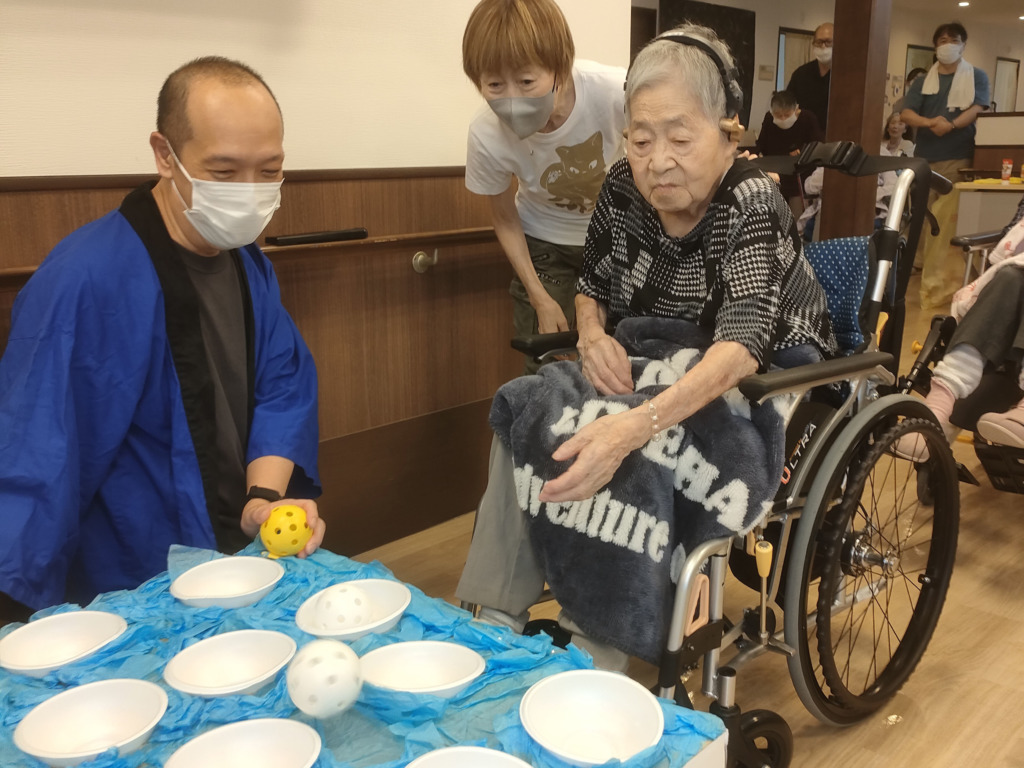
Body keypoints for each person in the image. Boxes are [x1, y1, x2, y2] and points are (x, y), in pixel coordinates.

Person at [456, 24, 836, 669]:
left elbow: (743, 345)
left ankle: (597, 638)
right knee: (527, 402)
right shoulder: (621, 188)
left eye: (681, 138)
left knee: (629, 439)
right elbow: (595, 282)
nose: (658, 159)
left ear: (728, 133)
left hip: (765, 368)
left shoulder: (751, 201)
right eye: (640, 139)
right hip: (656, 350)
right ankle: (495, 615)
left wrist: (637, 422)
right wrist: (592, 332)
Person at [0, 57, 324, 620]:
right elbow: (36, 454)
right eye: (224, 172)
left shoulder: (247, 262)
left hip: (236, 543)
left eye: (269, 169)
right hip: (133, 577)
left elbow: (283, 384)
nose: (250, 193)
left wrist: (263, 500)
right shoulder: (84, 279)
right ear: (164, 154)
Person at [462, 0, 626, 373]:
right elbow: (504, 217)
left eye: (526, 81)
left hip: (612, 240)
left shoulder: (613, 90)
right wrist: (539, 298)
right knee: (548, 368)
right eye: (494, 84)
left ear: (559, 69)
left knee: (617, 359)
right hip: (543, 248)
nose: (512, 99)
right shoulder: (485, 133)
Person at [901, 22, 990, 309]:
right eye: (942, 40)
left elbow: (976, 109)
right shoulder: (922, 81)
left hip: (959, 155)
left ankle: (944, 278)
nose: (948, 44)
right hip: (925, 155)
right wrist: (930, 122)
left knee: (948, 218)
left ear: (963, 45)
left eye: (954, 40)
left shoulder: (976, 76)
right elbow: (905, 113)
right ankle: (921, 269)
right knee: (923, 214)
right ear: (935, 46)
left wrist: (950, 125)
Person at [755, 89, 824, 219]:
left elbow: (818, 144)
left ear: (796, 110)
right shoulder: (769, 119)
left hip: (799, 176)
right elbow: (761, 144)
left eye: (786, 115)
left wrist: (803, 151)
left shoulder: (807, 118)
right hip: (775, 173)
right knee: (774, 216)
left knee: (796, 217)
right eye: (778, 115)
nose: (782, 118)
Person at [786, 22, 833, 134]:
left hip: (835, 140)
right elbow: (788, 106)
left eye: (828, 42)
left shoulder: (846, 76)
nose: (823, 46)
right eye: (819, 42)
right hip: (803, 139)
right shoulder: (801, 74)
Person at [876, 112, 915, 225]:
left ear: (905, 130)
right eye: (892, 123)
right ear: (888, 127)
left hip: (897, 180)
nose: (895, 126)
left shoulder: (906, 145)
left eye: (900, 124)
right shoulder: (881, 146)